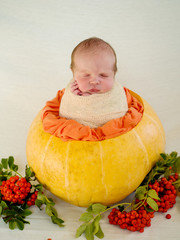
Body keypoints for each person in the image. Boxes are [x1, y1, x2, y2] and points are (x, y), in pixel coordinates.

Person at [59, 37, 128, 128]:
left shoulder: (117, 92)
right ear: (73, 73)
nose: (94, 81)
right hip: (77, 133)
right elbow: (68, 109)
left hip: (111, 132)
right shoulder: (72, 88)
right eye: (86, 75)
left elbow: (118, 111)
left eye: (103, 75)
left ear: (114, 74)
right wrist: (77, 98)